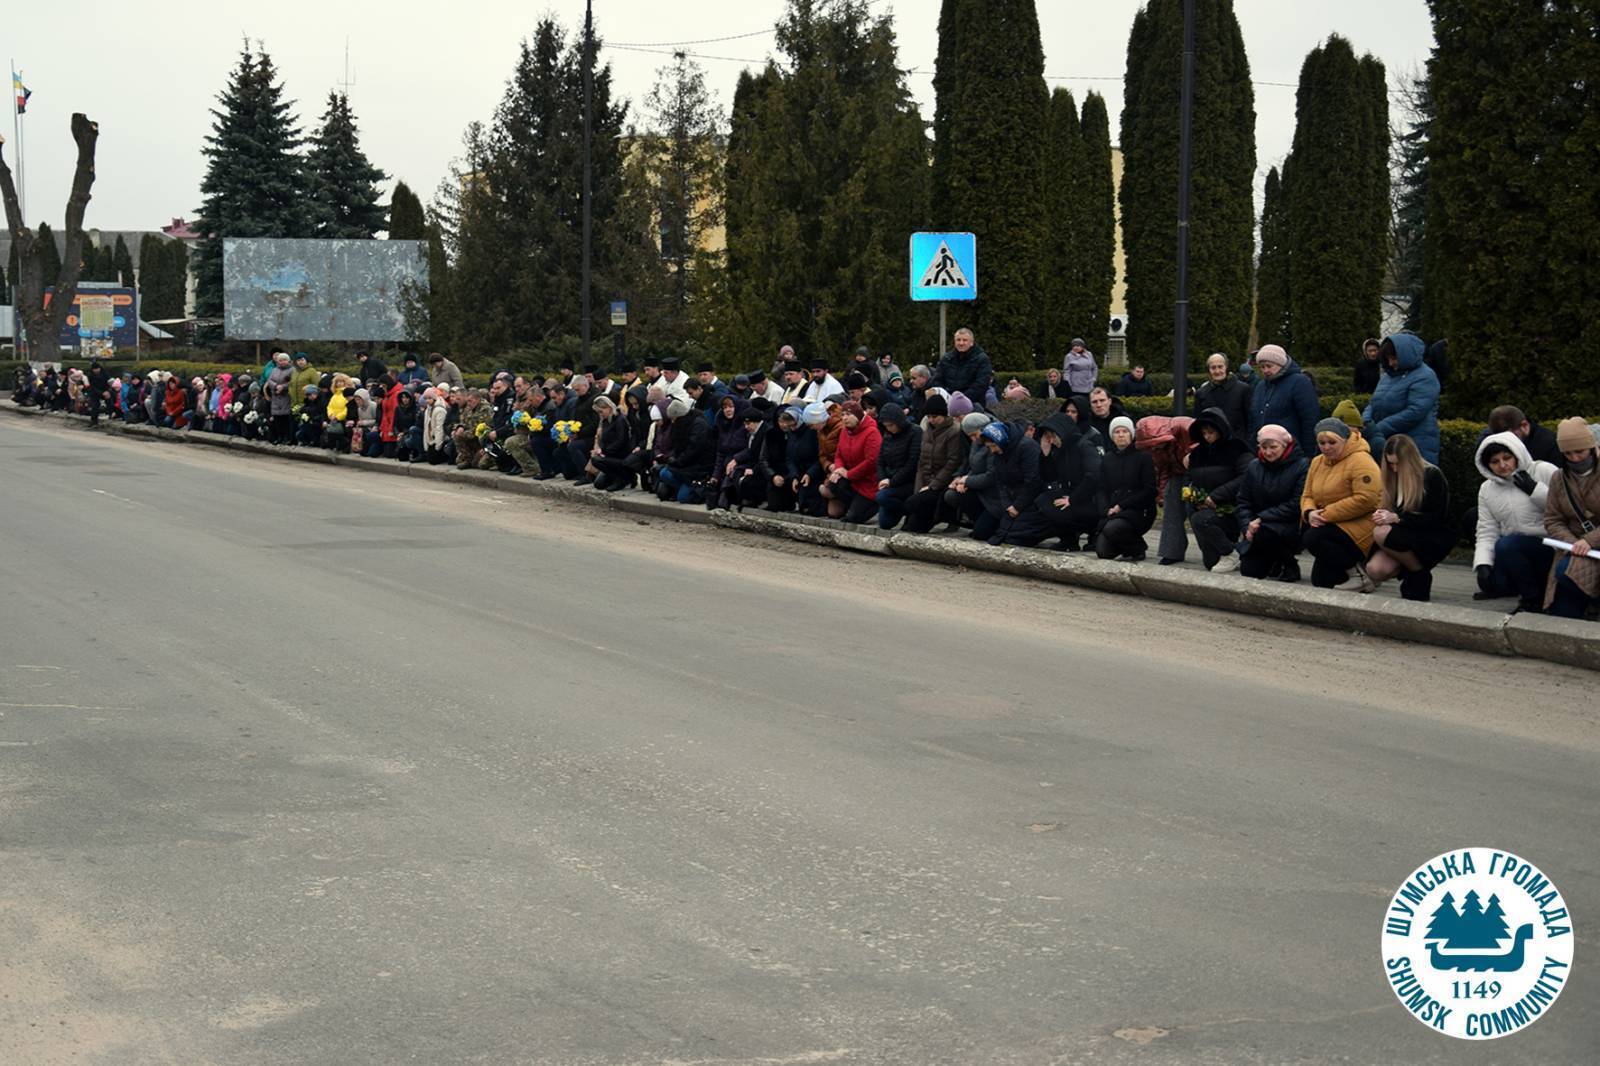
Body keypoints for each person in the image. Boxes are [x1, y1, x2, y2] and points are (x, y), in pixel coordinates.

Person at [1347, 434, 1452, 600]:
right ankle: (1413, 571)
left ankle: (1418, 573)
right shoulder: (1391, 477)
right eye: (1390, 464)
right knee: (1376, 569)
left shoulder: (1431, 475)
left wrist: (1397, 518)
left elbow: (1436, 518)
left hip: (1430, 533)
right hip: (1403, 533)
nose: (1394, 468)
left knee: (1381, 533)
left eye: (1397, 464)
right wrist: (1382, 515)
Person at [1471, 432, 1558, 612]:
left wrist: (1536, 491)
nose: (1502, 465)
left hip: (1551, 545)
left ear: (1517, 454)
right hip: (1514, 551)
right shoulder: (1487, 489)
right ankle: (1527, 593)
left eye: (1507, 458)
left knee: (1507, 545)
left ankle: (1532, 600)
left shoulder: (1543, 471)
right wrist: (1482, 563)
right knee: (1493, 582)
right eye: (1494, 462)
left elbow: (1565, 509)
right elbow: (1487, 529)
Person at [1299, 418, 1382, 589]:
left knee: (1313, 537)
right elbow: (1307, 495)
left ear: (1345, 440)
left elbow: (1366, 499)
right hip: (1330, 523)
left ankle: (1358, 574)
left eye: (1332, 442)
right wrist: (1309, 512)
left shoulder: (1361, 460)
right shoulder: (1317, 461)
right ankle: (1354, 571)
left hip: (1360, 524)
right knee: (1321, 582)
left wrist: (1324, 515)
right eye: (1322, 443)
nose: (1326, 447)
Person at [1003, 413, 1103, 550]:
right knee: (1043, 501)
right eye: (1047, 436)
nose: (1051, 440)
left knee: (1054, 508)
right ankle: (1068, 540)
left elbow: (1094, 476)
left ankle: (1090, 533)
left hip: (1088, 499)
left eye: (1052, 436)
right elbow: (1049, 477)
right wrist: (1045, 454)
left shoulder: (1084, 446)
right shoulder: (1060, 449)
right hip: (1070, 495)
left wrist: (1073, 499)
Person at [1235, 424, 1310, 582]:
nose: (1268, 452)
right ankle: (1273, 562)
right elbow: (1243, 500)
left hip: (1290, 524)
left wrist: (1261, 518)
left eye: (1273, 447)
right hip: (1257, 526)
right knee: (1249, 571)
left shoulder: (1302, 465)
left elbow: (1297, 503)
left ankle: (1289, 564)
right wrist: (1247, 525)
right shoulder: (1254, 466)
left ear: (1285, 445)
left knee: (1265, 532)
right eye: (1264, 447)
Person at [1542, 418, 1600, 619]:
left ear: (1591, 448)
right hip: (1574, 545)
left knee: (1566, 571)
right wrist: (1573, 543)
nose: (1575, 458)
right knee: (1561, 612)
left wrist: (1589, 541)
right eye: (1568, 453)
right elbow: (1552, 519)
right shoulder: (1558, 478)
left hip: (1593, 544)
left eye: (1580, 452)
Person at [1184, 407, 1253, 572]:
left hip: (1230, 508)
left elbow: (1246, 477)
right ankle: (1230, 549)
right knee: (1210, 563)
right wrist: (1195, 499)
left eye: (1211, 432)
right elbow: (1188, 478)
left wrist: (1216, 496)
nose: (1207, 436)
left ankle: (1231, 552)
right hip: (1204, 506)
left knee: (1200, 519)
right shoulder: (1197, 453)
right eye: (1204, 433)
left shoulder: (1238, 448)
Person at [1363, 333, 1441, 463]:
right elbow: (1374, 402)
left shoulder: (1425, 376)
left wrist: (1379, 428)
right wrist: (1365, 421)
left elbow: (1415, 411)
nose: (1391, 363)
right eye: (1388, 359)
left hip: (1414, 443)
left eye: (1394, 358)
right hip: (1387, 441)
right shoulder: (1388, 376)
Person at [1095, 417, 1158, 561]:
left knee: (1113, 528)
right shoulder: (1107, 459)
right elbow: (1101, 488)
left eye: (1125, 431)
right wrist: (1105, 509)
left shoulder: (1143, 457)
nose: (1121, 435)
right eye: (1117, 432)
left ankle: (1138, 548)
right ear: (1112, 436)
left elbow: (1149, 490)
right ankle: (1126, 545)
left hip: (1139, 510)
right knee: (1103, 552)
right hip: (1113, 511)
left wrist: (1122, 506)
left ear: (1131, 434)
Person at [1135, 414, 1194, 564]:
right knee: (1171, 504)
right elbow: (1163, 470)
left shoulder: (1185, 426)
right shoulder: (1155, 449)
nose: (1154, 448)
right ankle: (1171, 551)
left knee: (1193, 507)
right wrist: (1161, 494)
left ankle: (1212, 552)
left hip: (1198, 471)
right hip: (1177, 472)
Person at [1248, 344, 1320, 454]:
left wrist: (1308, 453)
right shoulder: (1260, 386)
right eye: (1262, 367)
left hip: (1292, 452)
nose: (1266, 370)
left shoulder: (1300, 382)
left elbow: (1309, 420)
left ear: (1281, 364)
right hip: (1264, 452)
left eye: (1269, 366)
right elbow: (1254, 419)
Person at [819, 401, 883, 523]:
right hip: (852, 480)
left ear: (858, 415)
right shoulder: (844, 431)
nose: (845, 418)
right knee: (834, 483)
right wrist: (838, 470)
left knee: (854, 518)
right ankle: (854, 506)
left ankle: (870, 505)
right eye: (842, 415)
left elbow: (871, 461)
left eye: (849, 414)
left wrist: (849, 474)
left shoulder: (871, 432)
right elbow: (839, 455)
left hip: (868, 482)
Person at [872, 403, 922, 529]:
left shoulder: (915, 432)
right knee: (885, 523)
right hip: (889, 481)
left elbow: (912, 462)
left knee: (881, 496)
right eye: (886, 426)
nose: (889, 429)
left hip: (906, 481)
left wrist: (891, 482)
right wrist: (883, 478)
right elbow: (880, 461)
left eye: (891, 425)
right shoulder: (887, 435)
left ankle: (907, 509)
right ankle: (900, 509)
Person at [656, 396, 715, 503]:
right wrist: (669, 458)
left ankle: (697, 488)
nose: (673, 422)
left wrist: (677, 461)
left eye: (674, 419)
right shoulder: (681, 425)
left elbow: (693, 449)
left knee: (683, 498)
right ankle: (683, 487)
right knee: (664, 473)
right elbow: (677, 446)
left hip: (699, 466)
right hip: (686, 465)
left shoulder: (698, 424)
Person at [1480, 406, 1565, 469]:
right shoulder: (1489, 439)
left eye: (1511, 436)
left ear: (1525, 426)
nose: (1506, 441)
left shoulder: (1549, 444)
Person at [931, 328, 993, 412]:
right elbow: (937, 380)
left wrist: (961, 400)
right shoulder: (946, 359)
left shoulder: (982, 359)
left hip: (973, 405)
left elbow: (981, 384)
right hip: (948, 404)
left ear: (971, 342)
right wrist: (947, 397)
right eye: (958, 340)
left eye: (964, 340)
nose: (961, 343)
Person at [1195, 353, 1252, 437]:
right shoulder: (1201, 392)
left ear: (1226, 367)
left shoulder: (1243, 389)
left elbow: (1250, 419)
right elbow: (1199, 421)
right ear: (1209, 370)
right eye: (1213, 368)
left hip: (1237, 443)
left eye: (1220, 367)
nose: (1217, 371)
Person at [265, 354, 295, 443]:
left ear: (288, 360)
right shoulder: (274, 370)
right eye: (280, 360)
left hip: (286, 397)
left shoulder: (292, 370)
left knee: (285, 419)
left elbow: (292, 382)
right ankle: (279, 437)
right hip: (276, 397)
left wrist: (283, 387)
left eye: (284, 360)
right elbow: (269, 381)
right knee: (277, 420)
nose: (282, 362)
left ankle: (287, 438)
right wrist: (275, 386)